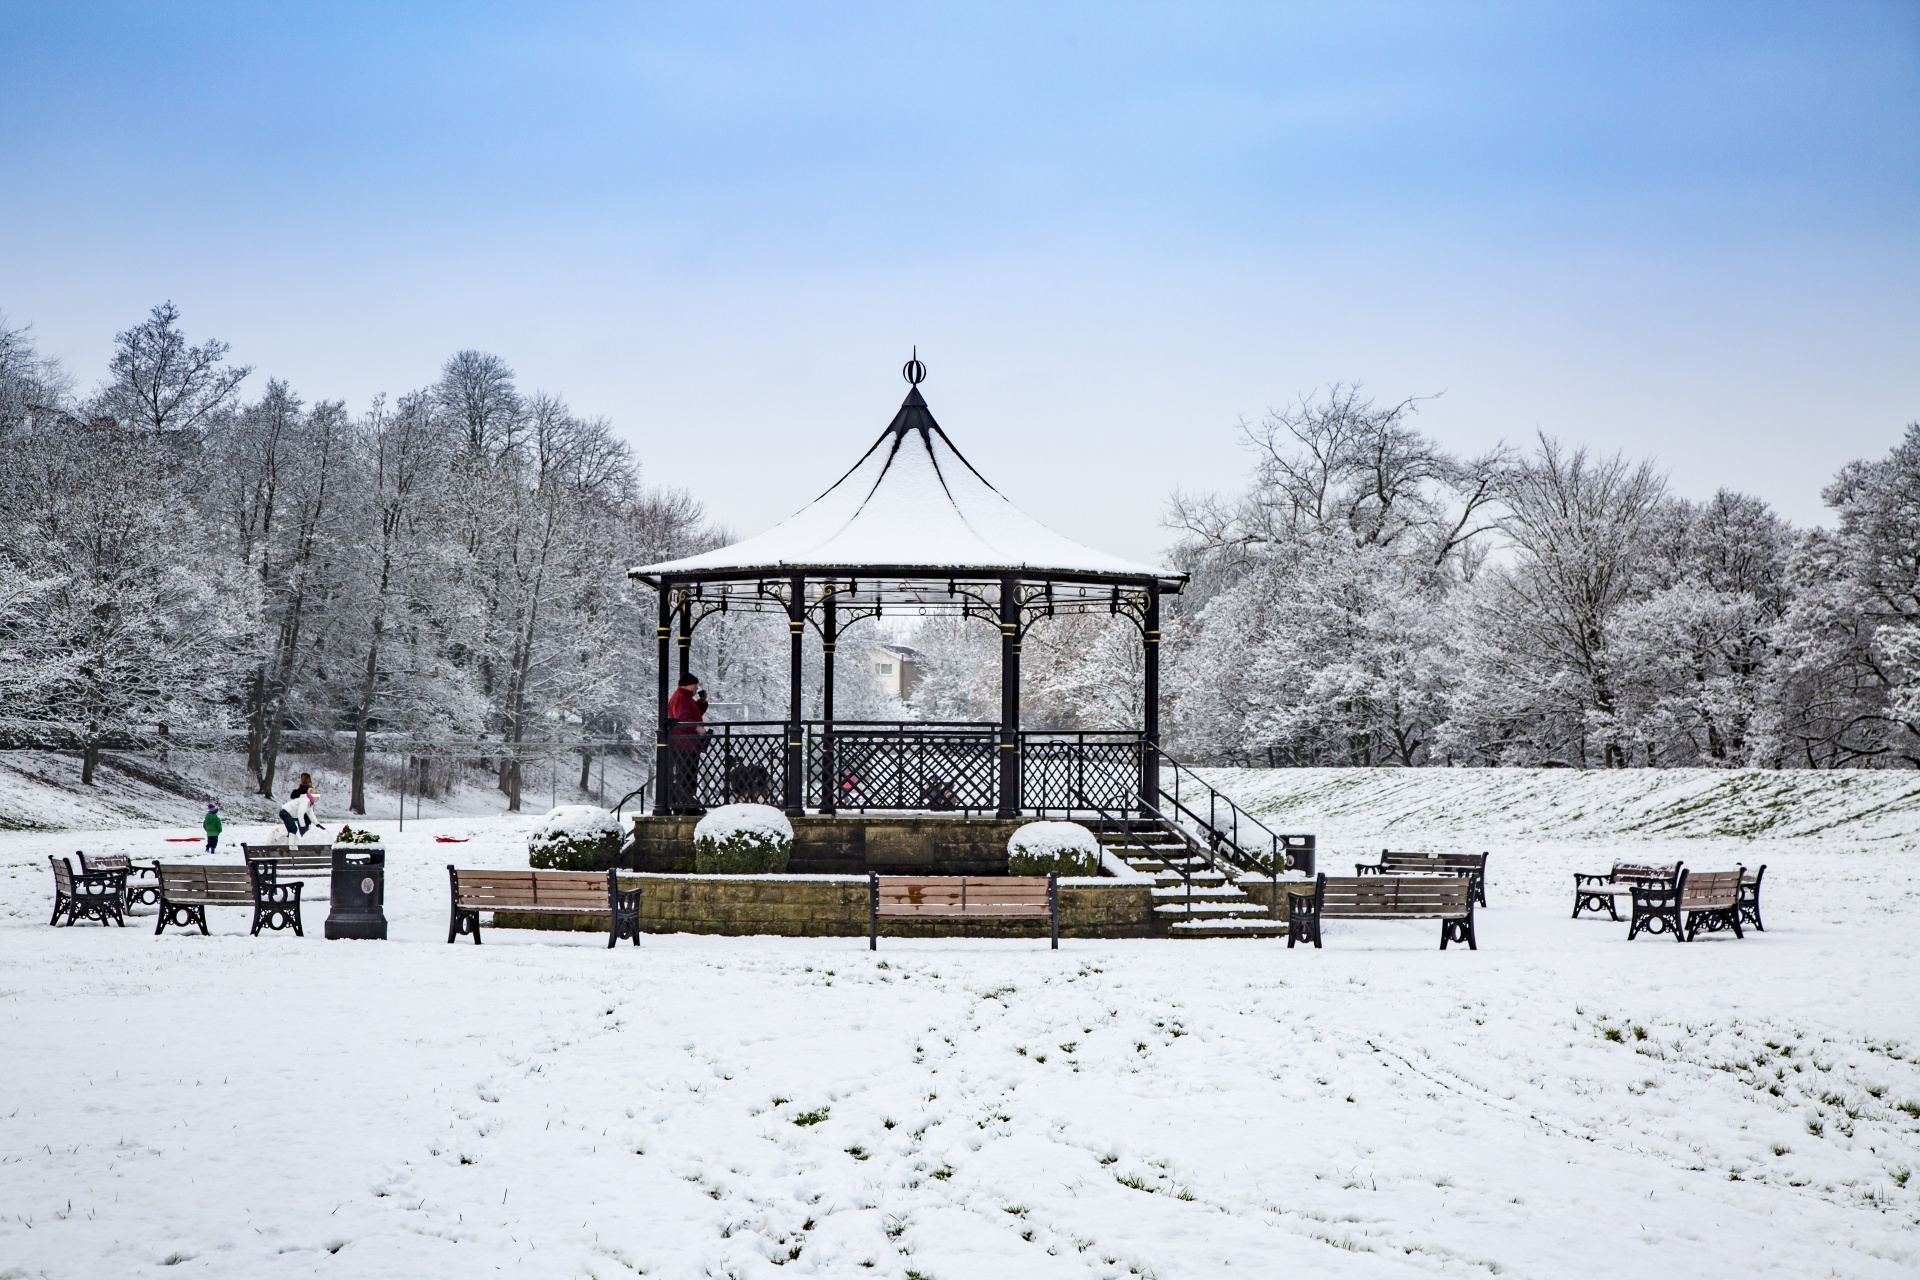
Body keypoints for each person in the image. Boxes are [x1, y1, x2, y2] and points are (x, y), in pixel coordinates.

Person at [666, 672, 710, 812]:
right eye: (695, 685)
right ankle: (684, 804)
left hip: (688, 744)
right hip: (684, 744)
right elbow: (682, 720)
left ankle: (686, 803)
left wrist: (702, 701)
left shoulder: (685, 698)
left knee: (688, 774)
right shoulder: (681, 698)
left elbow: (693, 713)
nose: (697, 688)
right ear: (689, 685)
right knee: (686, 774)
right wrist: (697, 727)